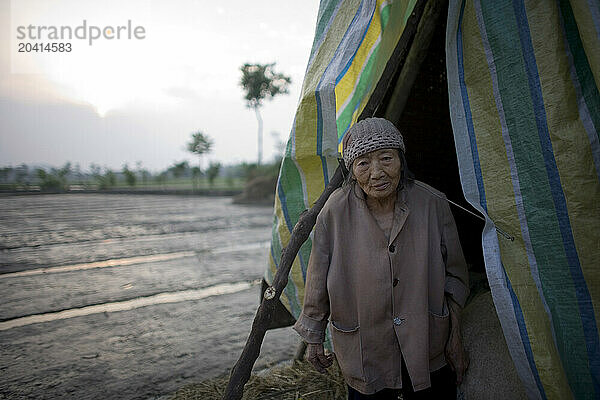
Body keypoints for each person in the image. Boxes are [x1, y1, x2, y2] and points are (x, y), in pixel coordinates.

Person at [293, 118, 470, 399]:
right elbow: (317, 279)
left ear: (401, 160)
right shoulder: (335, 212)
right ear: (351, 170)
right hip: (365, 351)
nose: (376, 173)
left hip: (427, 344)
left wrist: (455, 335)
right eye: (363, 163)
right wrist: (314, 336)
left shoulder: (432, 203)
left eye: (386, 158)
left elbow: (456, 276)